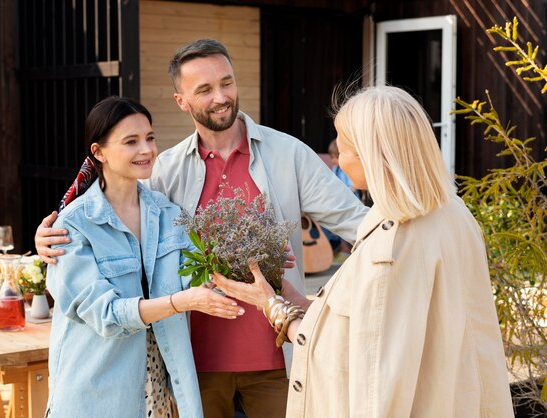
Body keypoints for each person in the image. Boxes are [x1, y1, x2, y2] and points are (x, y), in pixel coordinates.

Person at [35, 39, 368, 418]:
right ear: (182, 101)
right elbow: (115, 216)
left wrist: (330, 305)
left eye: (227, 82)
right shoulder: (164, 171)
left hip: (280, 360)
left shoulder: (288, 154)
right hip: (195, 368)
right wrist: (47, 238)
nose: (221, 97)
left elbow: (363, 227)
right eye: (205, 89)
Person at [211, 86, 515, 417]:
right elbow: (368, 319)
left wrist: (271, 306)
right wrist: (287, 294)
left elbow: (364, 366)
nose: (338, 154)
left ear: (371, 153)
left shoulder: (395, 239)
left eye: (344, 143)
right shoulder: (451, 212)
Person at [44, 96, 244, 418]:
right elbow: (105, 314)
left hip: (157, 391)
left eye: (150, 138)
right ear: (99, 152)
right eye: (131, 141)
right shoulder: (73, 225)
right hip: (96, 395)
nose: (146, 149)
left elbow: (202, 278)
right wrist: (182, 302)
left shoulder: (168, 214)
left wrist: (255, 261)